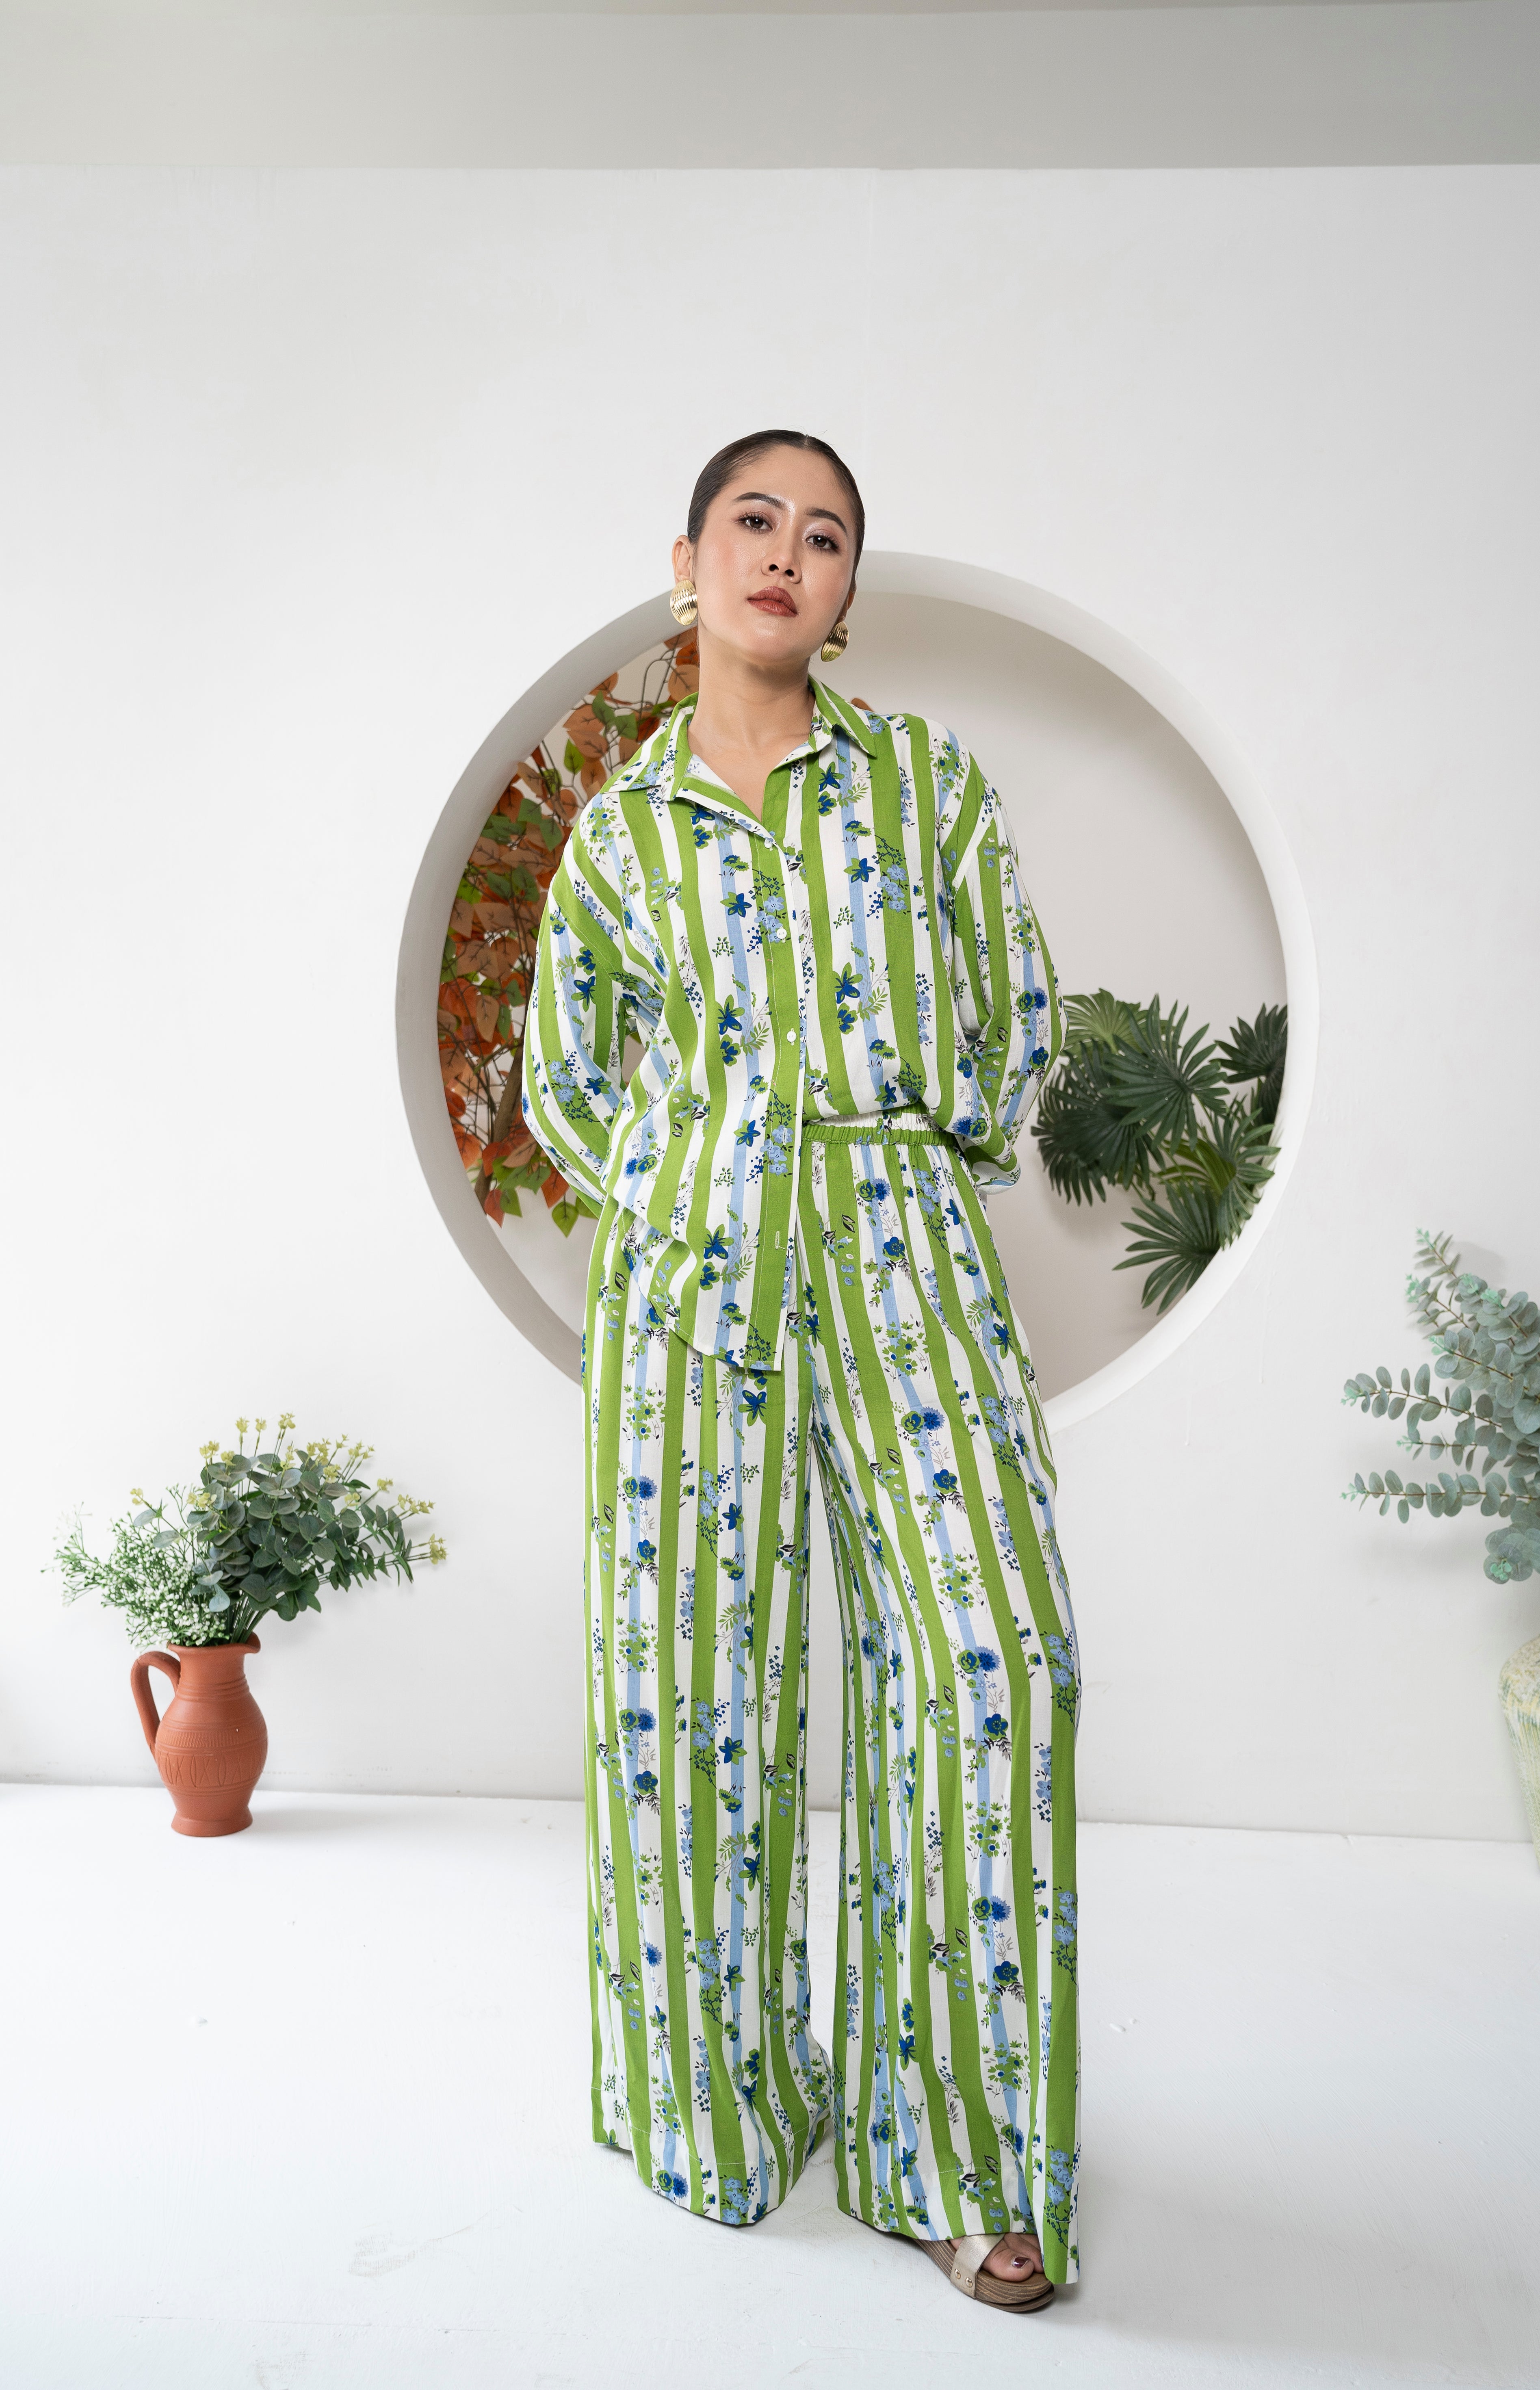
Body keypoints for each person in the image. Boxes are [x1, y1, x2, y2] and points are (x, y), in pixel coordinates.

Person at [520, 430, 1079, 2313]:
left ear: (851, 592)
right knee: (689, 1695)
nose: (788, 552)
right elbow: (572, 1086)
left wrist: (887, 1161)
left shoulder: (925, 787)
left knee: (990, 1655)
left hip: (902, 1241)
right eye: (755, 521)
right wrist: (697, 1190)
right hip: (689, 1271)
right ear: (686, 561)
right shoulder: (618, 833)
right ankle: (719, 2106)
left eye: (826, 534)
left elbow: (1016, 1020)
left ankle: (962, 2155)